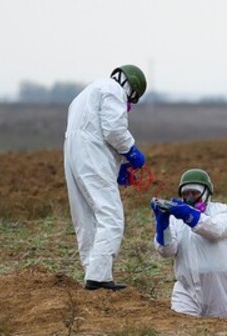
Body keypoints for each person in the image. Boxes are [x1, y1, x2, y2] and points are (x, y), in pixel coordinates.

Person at [64, 64, 148, 291]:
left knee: (86, 216)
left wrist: (117, 170)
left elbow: (95, 134)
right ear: (133, 89)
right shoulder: (113, 90)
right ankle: (99, 277)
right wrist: (132, 152)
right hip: (90, 155)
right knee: (111, 215)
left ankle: (93, 272)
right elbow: (113, 130)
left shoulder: (86, 93)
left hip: (73, 152)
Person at [151, 169, 227, 318]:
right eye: (185, 194)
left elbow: (215, 230)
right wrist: (162, 223)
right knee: (181, 326)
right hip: (186, 287)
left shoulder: (221, 210)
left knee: (221, 327)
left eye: (194, 193)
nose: (189, 197)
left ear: (206, 192)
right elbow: (167, 251)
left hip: (219, 286)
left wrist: (188, 215)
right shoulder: (175, 218)